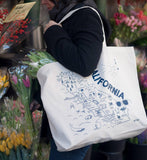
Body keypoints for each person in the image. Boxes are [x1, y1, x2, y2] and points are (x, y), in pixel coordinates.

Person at [38, 0, 111, 159]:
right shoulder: (68, 14)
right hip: (70, 114)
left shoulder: (86, 15)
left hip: (77, 119)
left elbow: (85, 64)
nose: (42, 1)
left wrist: (53, 32)